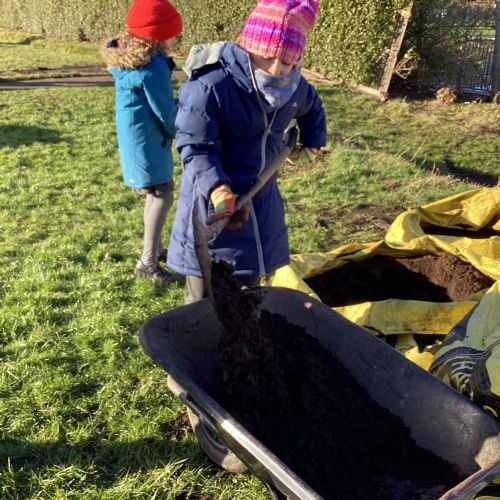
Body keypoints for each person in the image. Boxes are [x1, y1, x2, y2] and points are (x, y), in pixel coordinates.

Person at [167, 0, 326, 303]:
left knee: (248, 296)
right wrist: (216, 187)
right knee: (204, 299)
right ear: (247, 46)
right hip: (212, 206)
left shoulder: (293, 86)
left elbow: (312, 107)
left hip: (259, 202)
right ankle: (201, 328)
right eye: (267, 57)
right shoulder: (211, 86)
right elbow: (195, 146)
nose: (276, 70)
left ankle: (245, 329)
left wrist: (313, 141)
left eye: (287, 61)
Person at [101, 0, 182, 283]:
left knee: (155, 192)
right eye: (173, 34)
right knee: (163, 193)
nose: (176, 38)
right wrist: (185, 134)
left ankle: (155, 249)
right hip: (146, 140)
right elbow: (165, 112)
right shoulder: (153, 67)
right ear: (157, 36)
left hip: (138, 137)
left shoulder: (136, 58)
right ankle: (147, 263)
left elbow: (156, 102)